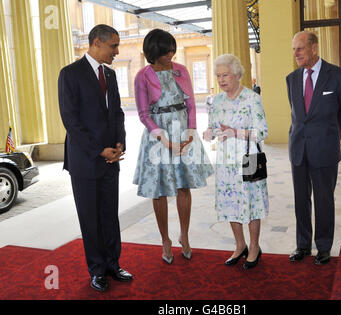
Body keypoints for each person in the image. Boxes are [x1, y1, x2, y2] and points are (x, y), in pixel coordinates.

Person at [58, 24, 133, 292]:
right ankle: (97, 270)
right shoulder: (70, 74)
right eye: (113, 45)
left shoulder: (110, 75)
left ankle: (113, 264)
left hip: (111, 158)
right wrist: (98, 150)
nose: (117, 51)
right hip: (85, 160)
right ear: (97, 43)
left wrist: (119, 143)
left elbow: (117, 113)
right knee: (90, 218)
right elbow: (71, 120)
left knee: (110, 215)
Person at [133, 29, 213, 265]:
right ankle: (165, 240)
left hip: (182, 130)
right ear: (154, 51)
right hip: (157, 134)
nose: (171, 53)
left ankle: (184, 236)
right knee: (159, 190)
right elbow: (143, 113)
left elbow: (190, 103)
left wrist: (190, 132)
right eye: (166, 50)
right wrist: (164, 139)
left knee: (183, 186)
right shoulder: (142, 76)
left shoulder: (181, 70)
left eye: (172, 49)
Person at [286, 31, 341, 265]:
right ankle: (302, 245)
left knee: (324, 199)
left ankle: (323, 246)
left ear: (314, 48)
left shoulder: (338, 76)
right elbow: (297, 115)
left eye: (300, 48)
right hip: (298, 149)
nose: (295, 53)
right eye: (294, 49)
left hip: (324, 148)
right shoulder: (291, 79)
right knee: (300, 199)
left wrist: (327, 133)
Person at [203, 54, 269, 270]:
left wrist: (235, 132)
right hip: (225, 161)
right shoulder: (217, 101)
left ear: (237, 74)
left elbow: (262, 132)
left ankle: (254, 247)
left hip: (249, 157)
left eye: (225, 75)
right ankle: (240, 245)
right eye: (218, 75)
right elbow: (214, 125)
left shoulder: (252, 98)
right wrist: (210, 132)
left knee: (251, 204)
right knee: (231, 203)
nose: (221, 80)